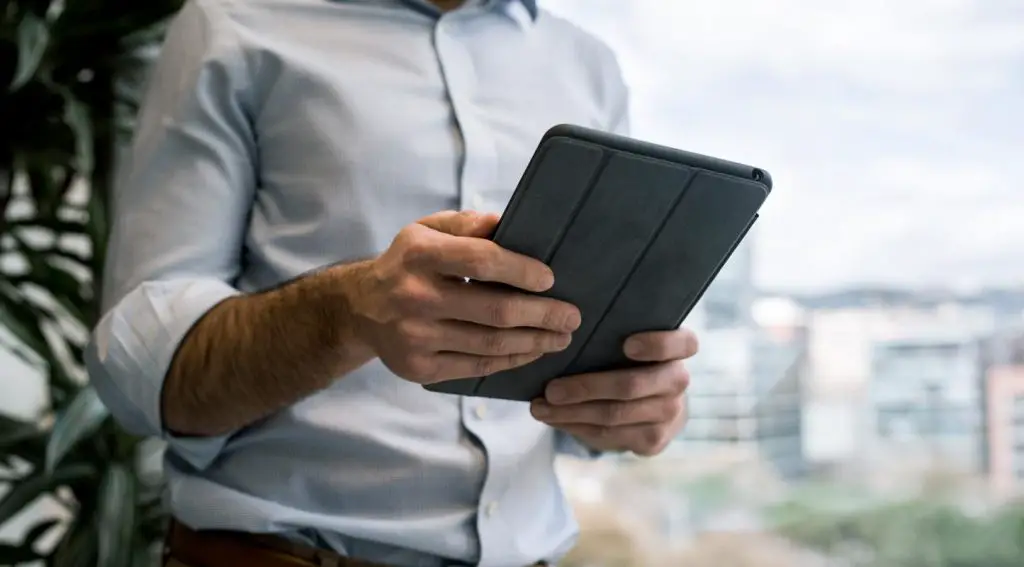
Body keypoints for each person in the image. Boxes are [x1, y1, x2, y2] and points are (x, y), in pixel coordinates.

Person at [86, 0, 699, 566]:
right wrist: (347, 313)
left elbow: (586, 351)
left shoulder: (588, 65)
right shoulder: (233, 24)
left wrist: (631, 399)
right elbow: (145, 374)